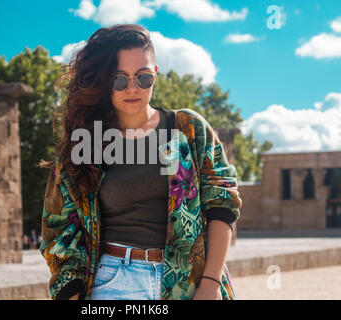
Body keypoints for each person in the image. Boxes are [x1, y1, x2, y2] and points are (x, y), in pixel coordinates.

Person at [39, 24, 242, 300]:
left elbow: (222, 203)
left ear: (155, 75)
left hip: (190, 283)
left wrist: (210, 282)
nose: (132, 88)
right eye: (119, 79)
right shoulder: (86, 141)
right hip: (112, 283)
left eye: (143, 78)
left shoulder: (187, 129)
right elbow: (59, 229)